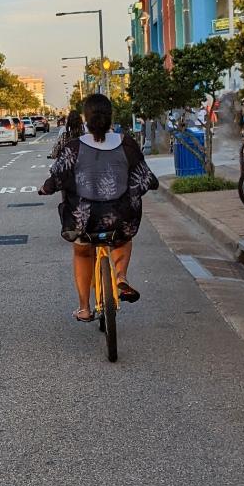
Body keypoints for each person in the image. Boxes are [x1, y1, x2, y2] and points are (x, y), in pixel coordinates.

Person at [39, 93, 159, 323]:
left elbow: (56, 178)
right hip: (119, 218)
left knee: (83, 251)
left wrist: (45, 189)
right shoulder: (126, 144)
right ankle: (121, 277)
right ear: (110, 117)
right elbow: (146, 178)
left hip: (84, 221)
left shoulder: (74, 147)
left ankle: (84, 308)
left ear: (87, 118)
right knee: (123, 237)